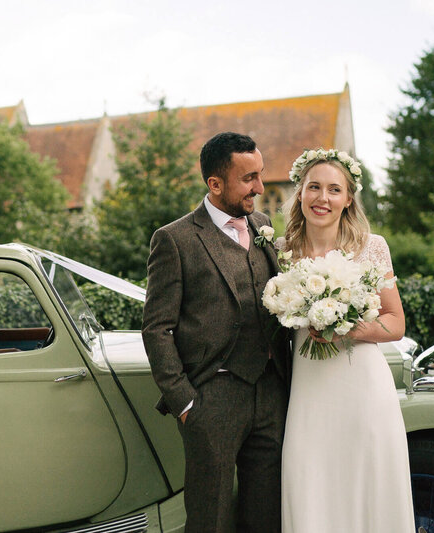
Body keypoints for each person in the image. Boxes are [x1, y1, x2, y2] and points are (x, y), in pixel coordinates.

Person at [142, 132, 291, 533]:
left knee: (267, 515)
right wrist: (186, 403)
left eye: (260, 176)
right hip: (212, 399)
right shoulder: (175, 239)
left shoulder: (262, 224)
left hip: (272, 392)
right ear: (215, 184)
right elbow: (157, 328)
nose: (260, 188)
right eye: (249, 179)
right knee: (211, 518)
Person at [277, 149, 415, 532]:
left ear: (349, 198)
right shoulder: (281, 251)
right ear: (300, 193)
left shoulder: (373, 247)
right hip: (308, 391)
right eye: (314, 187)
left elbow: (395, 323)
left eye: (334, 189)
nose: (323, 198)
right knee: (309, 481)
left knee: (366, 485)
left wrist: (346, 326)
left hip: (362, 390)